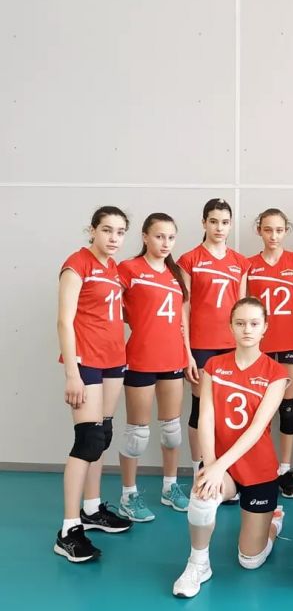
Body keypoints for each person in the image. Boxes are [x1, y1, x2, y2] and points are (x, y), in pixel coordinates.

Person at [172, 297, 289, 598]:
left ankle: (273, 522)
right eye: (240, 323)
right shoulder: (214, 366)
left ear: (265, 327)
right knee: (201, 497)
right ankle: (198, 564)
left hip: (258, 469)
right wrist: (210, 466)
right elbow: (206, 418)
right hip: (220, 464)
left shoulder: (276, 373)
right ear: (231, 327)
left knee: (249, 560)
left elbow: (257, 428)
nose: (247, 329)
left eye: (254, 323)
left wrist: (218, 466)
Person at [54, 206, 133, 563]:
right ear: (92, 230)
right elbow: (64, 321)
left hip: (114, 359)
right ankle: (68, 530)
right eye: (107, 230)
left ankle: (91, 508)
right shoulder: (77, 264)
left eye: (120, 232)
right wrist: (72, 372)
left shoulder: (114, 269)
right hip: (86, 361)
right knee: (87, 440)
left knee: (102, 435)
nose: (113, 238)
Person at [117, 213, 191, 522]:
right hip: (141, 359)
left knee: (172, 432)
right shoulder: (129, 269)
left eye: (171, 237)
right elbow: (110, 307)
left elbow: (182, 320)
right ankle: (128, 495)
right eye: (159, 236)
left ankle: (169, 487)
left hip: (173, 358)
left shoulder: (176, 274)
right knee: (137, 434)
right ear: (145, 236)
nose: (165, 243)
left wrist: (189, 356)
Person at [178, 198, 249, 479]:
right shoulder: (189, 260)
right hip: (201, 346)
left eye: (225, 222)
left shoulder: (240, 263)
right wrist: (186, 352)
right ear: (204, 223)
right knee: (201, 408)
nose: (219, 228)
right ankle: (200, 468)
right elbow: (183, 309)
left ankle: (226, 468)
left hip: (232, 347)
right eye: (214, 221)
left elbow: (242, 309)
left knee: (228, 409)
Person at [246, 208, 293, 498]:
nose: (273, 236)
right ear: (259, 230)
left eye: (279, 230)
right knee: (258, 410)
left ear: (286, 231)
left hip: (291, 344)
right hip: (258, 347)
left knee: (288, 408)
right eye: (268, 229)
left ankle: (284, 468)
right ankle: (258, 466)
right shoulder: (249, 265)